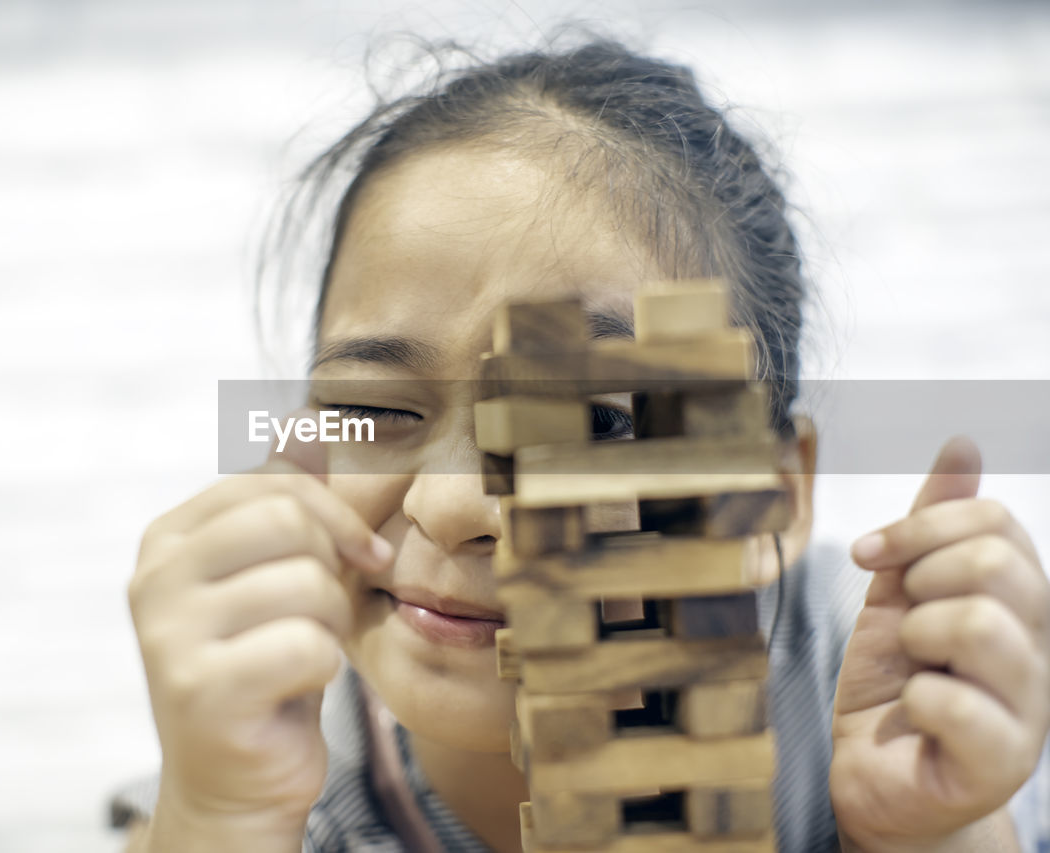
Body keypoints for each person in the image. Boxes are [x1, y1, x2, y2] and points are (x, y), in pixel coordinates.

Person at [120, 38, 1050, 852]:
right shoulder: (271, 760)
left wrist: (931, 832)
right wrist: (218, 816)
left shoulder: (893, 684)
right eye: (374, 410)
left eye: (595, 420)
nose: (449, 507)